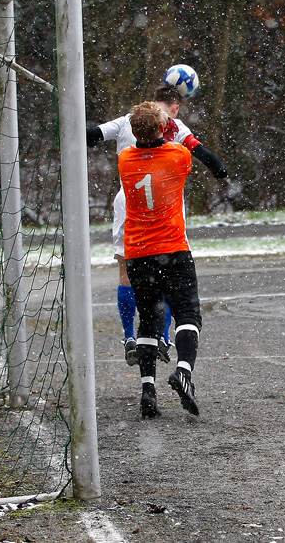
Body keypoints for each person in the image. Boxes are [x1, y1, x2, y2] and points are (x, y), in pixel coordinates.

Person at [87, 84, 227, 366]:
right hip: (164, 205)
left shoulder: (126, 123)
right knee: (166, 269)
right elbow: (206, 157)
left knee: (127, 270)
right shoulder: (177, 128)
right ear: (174, 107)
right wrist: (220, 171)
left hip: (129, 201)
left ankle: (130, 337)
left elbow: (93, 135)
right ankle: (162, 337)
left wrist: (77, 129)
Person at [119, 101, 204, 418]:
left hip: (138, 253)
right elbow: (184, 153)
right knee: (187, 314)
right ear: (162, 129)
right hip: (172, 249)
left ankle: (147, 391)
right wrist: (172, 130)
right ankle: (183, 371)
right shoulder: (177, 156)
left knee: (149, 321)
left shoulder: (125, 159)